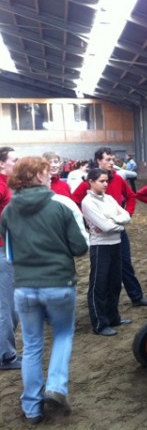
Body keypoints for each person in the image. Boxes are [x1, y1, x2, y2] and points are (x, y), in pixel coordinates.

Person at [1, 156, 88, 424]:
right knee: (62, 334)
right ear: (36, 177)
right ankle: (56, 387)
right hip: (59, 283)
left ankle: (32, 407)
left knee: (32, 344)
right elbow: (79, 248)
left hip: (25, 287)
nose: (50, 174)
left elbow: (9, 251)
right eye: (45, 171)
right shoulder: (60, 207)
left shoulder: (8, 212)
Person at [72, 147, 147, 307]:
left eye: (112, 159)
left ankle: (136, 296)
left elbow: (131, 196)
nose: (111, 162)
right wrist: (89, 219)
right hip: (102, 234)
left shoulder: (119, 179)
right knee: (104, 271)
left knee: (125, 264)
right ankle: (105, 305)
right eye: (108, 159)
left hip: (118, 227)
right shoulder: (88, 183)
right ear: (98, 160)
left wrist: (127, 213)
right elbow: (74, 201)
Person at [81, 168, 133, 337]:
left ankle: (113, 317)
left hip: (115, 243)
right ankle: (99, 323)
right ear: (91, 181)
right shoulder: (88, 202)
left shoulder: (109, 198)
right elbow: (106, 226)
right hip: (100, 246)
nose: (105, 184)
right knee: (99, 285)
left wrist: (113, 221)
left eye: (106, 181)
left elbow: (126, 215)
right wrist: (117, 223)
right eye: (101, 181)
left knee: (115, 282)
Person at [0, 147, 20, 371]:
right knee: (6, 307)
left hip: (9, 249)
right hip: (3, 251)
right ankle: (6, 356)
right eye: (14, 160)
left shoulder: (8, 185)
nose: (18, 162)